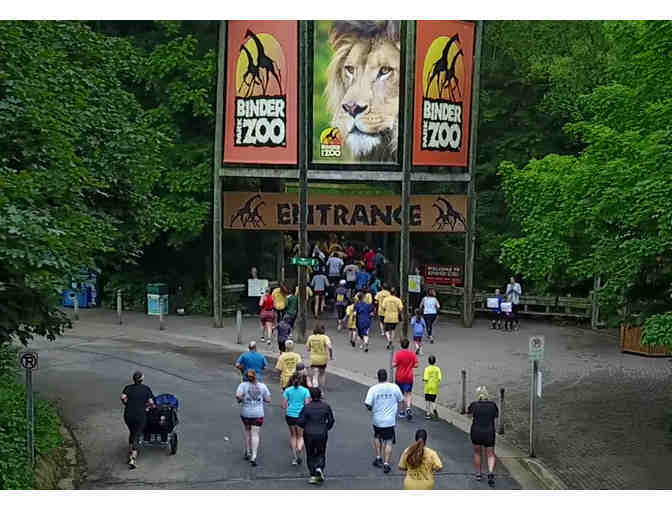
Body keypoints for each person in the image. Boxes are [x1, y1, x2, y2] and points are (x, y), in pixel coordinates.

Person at [364, 368, 403, 474]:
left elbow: (367, 403)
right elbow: (400, 399)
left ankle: (378, 457)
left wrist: (372, 409)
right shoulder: (394, 387)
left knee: (377, 437)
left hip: (377, 419)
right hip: (390, 420)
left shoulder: (373, 389)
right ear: (387, 376)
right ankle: (386, 463)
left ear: (378, 377)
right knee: (389, 441)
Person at [297, 387, 335, 484]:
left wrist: (305, 426)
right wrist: (326, 428)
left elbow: (300, 421)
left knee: (310, 454)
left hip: (309, 433)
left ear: (310, 396)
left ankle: (313, 474)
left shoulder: (306, 407)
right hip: (322, 432)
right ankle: (319, 467)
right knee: (321, 452)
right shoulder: (326, 406)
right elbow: (331, 420)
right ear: (320, 395)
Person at [236, 369, 271, 467]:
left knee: (247, 432)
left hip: (246, 413)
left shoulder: (242, 385)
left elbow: (238, 396)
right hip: (258, 414)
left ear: (246, 377)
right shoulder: (263, 386)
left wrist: (243, 400)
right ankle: (254, 456)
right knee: (255, 434)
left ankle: (247, 451)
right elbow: (268, 399)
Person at [120, 371, 154, 469]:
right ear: (142, 379)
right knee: (137, 434)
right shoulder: (146, 389)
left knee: (132, 431)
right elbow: (151, 402)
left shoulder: (128, 388)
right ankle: (132, 459)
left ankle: (131, 450)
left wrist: (126, 404)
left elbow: (122, 397)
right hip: (140, 415)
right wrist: (148, 407)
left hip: (128, 415)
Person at [467, 386, 499, 487]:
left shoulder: (474, 405)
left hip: (476, 431)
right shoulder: (493, 405)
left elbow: (469, 415)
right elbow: (496, 416)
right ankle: (490, 472)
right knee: (490, 454)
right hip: (489, 431)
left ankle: (478, 474)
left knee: (477, 453)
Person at [283, 372, 311, 466]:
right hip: (301, 415)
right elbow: (307, 405)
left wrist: (289, 408)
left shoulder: (287, 390)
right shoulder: (305, 391)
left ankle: (295, 457)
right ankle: (299, 449)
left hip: (290, 415)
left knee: (293, 435)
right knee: (300, 436)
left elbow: (284, 405)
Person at [393, 338, 418, 420]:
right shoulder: (412, 354)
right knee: (408, 393)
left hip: (399, 377)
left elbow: (394, 364)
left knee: (401, 394)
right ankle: (408, 408)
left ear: (401, 345)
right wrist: (410, 365)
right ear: (408, 345)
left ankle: (402, 411)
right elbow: (416, 365)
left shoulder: (398, 354)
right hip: (409, 377)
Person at [306, 324, 333, 389]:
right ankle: (321, 390)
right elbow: (330, 347)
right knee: (322, 374)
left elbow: (308, 348)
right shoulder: (325, 337)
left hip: (314, 359)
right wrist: (331, 355)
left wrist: (311, 349)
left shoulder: (311, 337)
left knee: (315, 374)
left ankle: (315, 388)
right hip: (323, 359)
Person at [423, 355, 442, 420]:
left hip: (428, 387)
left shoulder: (427, 369)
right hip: (434, 387)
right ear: (435, 361)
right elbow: (439, 378)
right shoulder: (437, 369)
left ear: (428, 361)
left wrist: (424, 380)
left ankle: (428, 414)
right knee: (433, 400)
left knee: (428, 401)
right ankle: (434, 409)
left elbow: (425, 378)